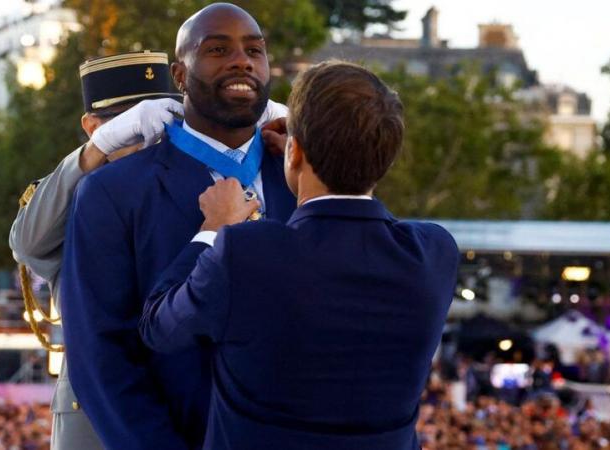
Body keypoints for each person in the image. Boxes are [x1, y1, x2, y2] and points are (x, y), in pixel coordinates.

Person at [139, 60, 459, 449]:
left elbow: (161, 327)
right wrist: (330, 160)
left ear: (295, 151)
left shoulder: (245, 252)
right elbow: (367, 218)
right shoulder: (434, 254)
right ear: (387, 159)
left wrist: (214, 227)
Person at [10, 50, 286, 449]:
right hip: (99, 409)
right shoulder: (76, 196)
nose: (148, 135)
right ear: (93, 126)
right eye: (127, 125)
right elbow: (27, 241)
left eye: (165, 117)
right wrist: (97, 151)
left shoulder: (200, 187)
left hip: (187, 397)